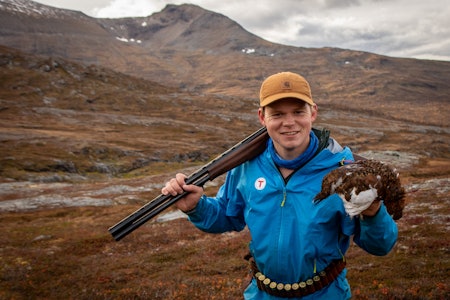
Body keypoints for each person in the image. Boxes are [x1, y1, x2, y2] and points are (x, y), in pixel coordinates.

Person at [162, 71, 398, 299]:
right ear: (262, 117)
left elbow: (381, 246)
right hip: (261, 294)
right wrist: (196, 207)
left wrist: (373, 212)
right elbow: (226, 216)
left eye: (298, 111)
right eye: (277, 114)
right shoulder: (245, 166)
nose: (289, 122)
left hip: (325, 294)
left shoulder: (346, 171)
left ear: (313, 113)